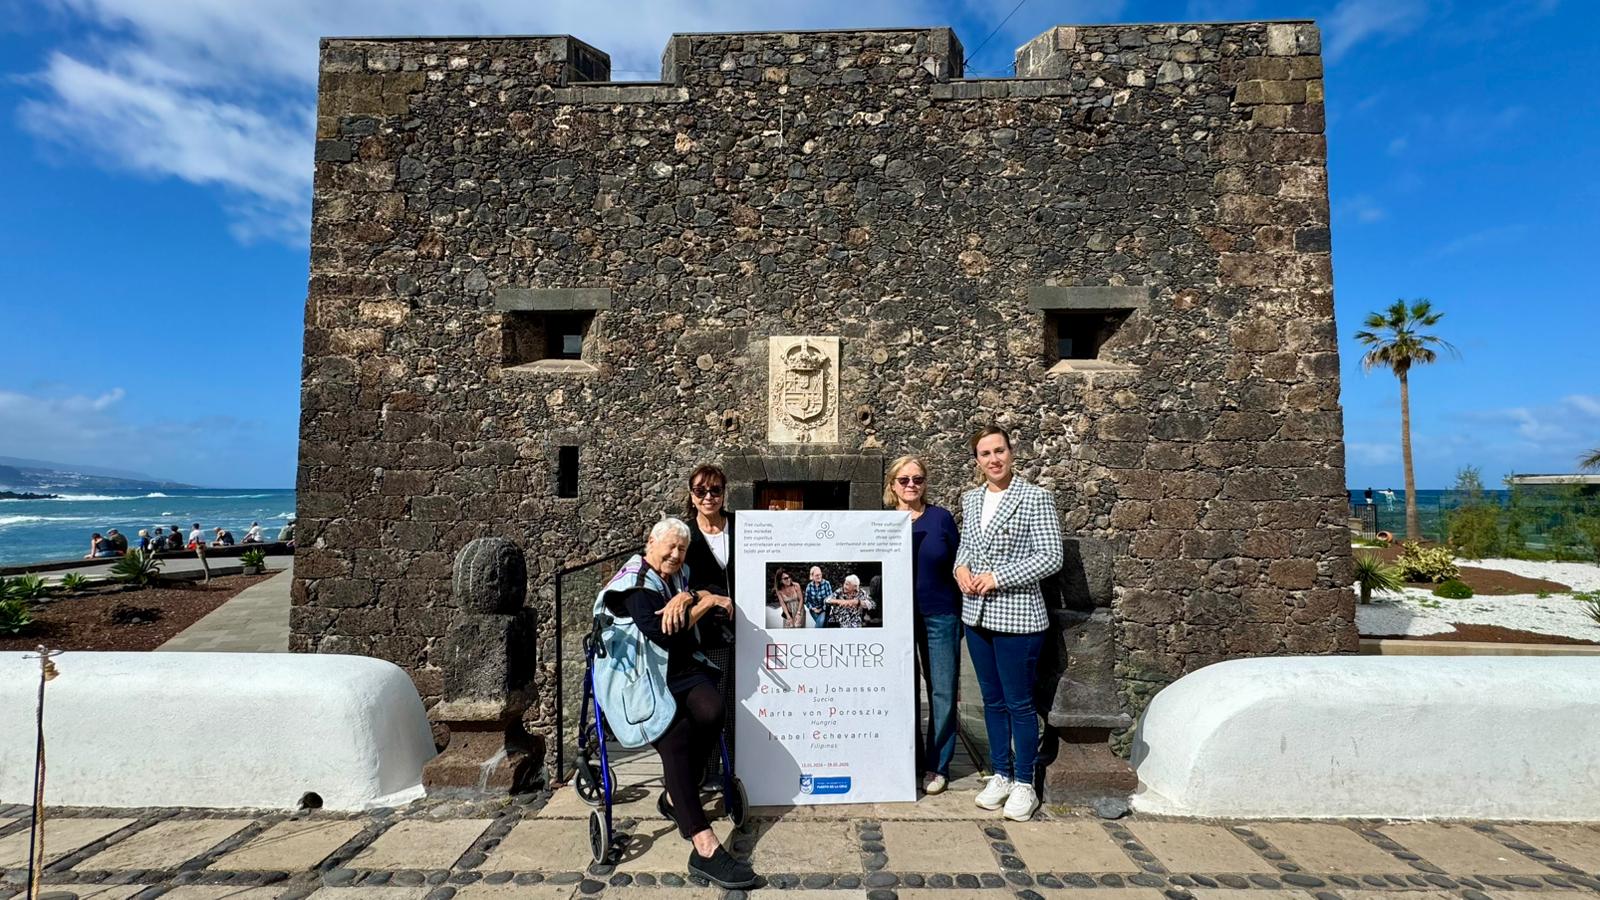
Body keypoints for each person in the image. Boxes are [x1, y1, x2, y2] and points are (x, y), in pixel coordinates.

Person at [593, 517, 758, 889]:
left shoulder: (677, 575)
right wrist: (705, 601)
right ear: (650, 543)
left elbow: (699, 595)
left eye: (681, 548)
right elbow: (663, 633)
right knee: (677, 737)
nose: (675, 553)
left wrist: (690, 596)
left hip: (677, 669)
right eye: (669, 546)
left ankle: (674, 794)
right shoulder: (636, 583)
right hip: (642, 677)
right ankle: (704, 846)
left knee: (714, 711)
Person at [953, 426, 1062, 822]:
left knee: (1020, 704)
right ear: (977, 461)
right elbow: (966, 547)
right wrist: (960, 568)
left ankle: (1024, 782)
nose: (993, 459)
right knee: (991, 702)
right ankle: (999, 773)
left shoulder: (1035, 498)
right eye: (985, 454)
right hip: (976, 615)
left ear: (1011, 454)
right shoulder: (972, 498)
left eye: (999, 451)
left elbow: (1051, 557)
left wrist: (1000, 577)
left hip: (1018, 616)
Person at [886, 453, 963, 796]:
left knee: (942, 691)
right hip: (897, 619)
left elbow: (961, 562)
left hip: (940, 614)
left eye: (917, 479)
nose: (911, 485)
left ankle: (938, 763)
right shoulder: (882, 524)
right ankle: (910, 759)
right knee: (902, 691)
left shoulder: (941, 519)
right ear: (893, 485)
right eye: (904, 480)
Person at [682, 464, 736, 776]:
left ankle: (738, 769)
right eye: (701, 491)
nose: (709, 497)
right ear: (691, 496)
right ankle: (710, 772)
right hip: (707, 632)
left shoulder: (742, 526)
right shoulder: (685, 536)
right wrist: (704, 596)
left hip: (746, 629)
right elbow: (675, 582)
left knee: (739, 703)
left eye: (715, 490)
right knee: (713, 704)